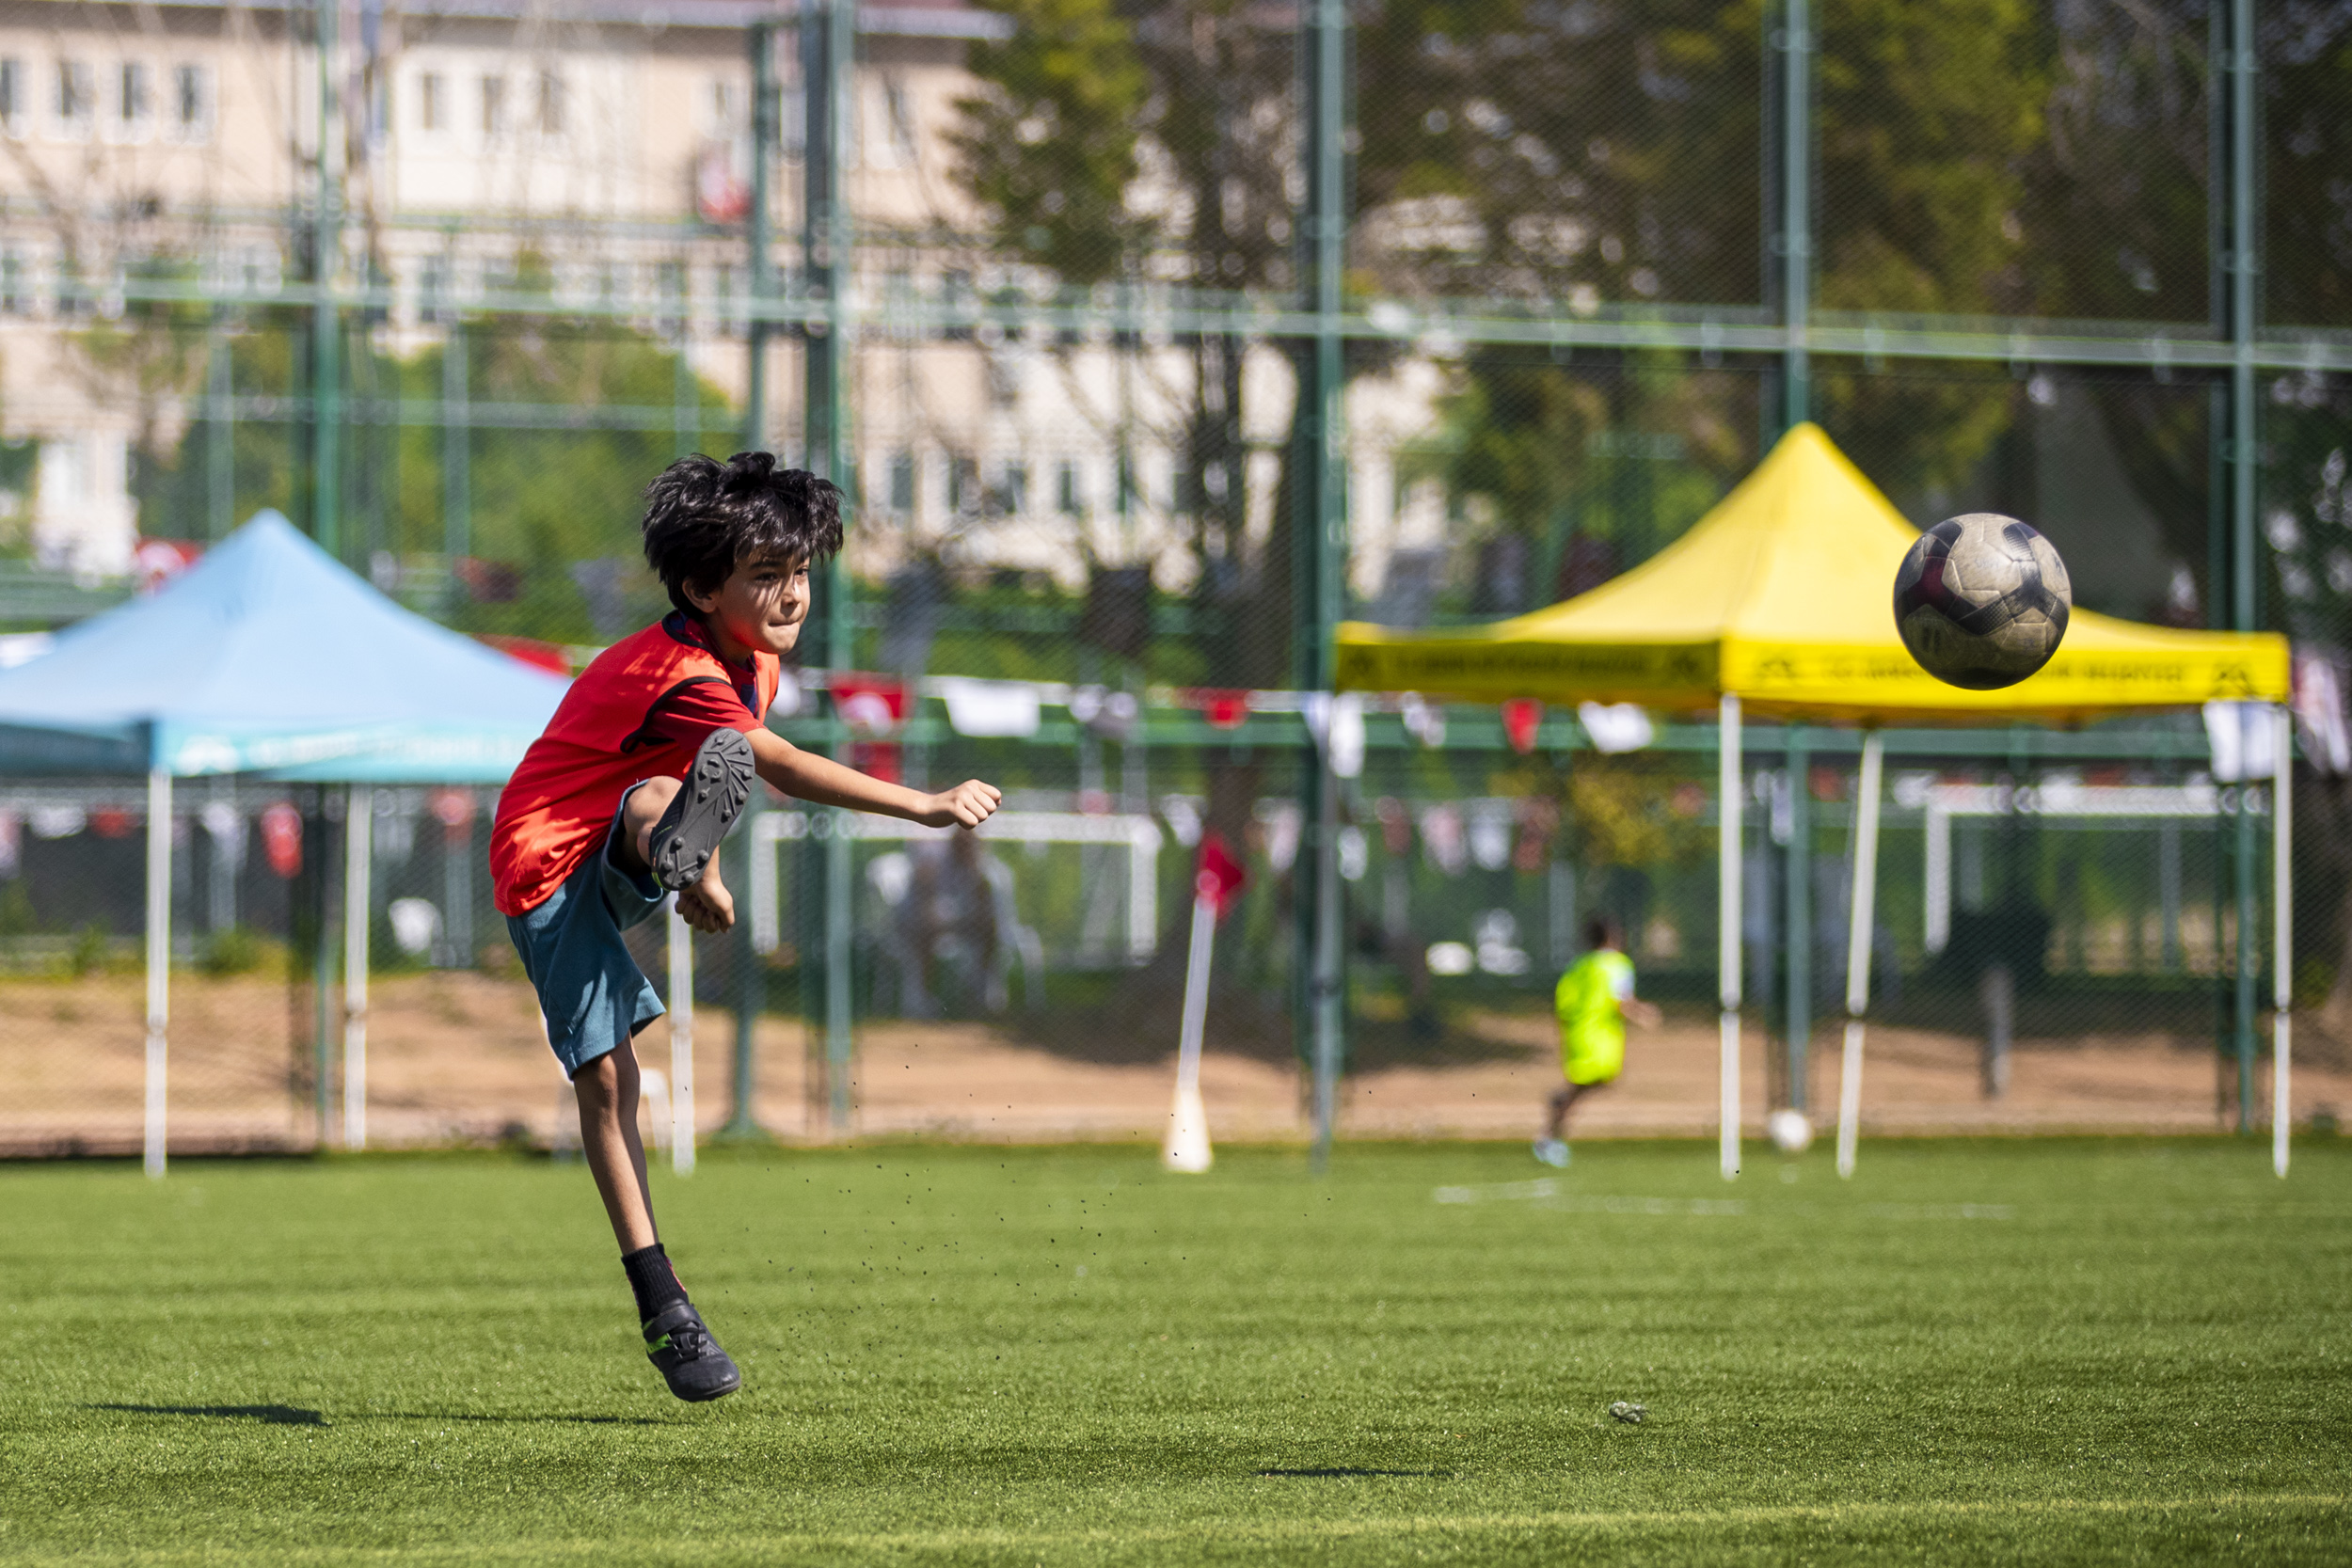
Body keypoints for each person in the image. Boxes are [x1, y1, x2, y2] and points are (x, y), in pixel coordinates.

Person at [490, 452, 1000, 1402]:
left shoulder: (747, 662)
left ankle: (666, 856)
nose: (790, 592)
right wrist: (922, 804)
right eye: (765, 574)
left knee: (661, 796)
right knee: (608, 1079)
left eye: (799, 570)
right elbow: (778, 765)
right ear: (699, 586)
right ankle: (664, 1304)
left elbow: (706, 772)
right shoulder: (681, 670)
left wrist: (705, 870)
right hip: (547, 858)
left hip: (629, 832)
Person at [1534, 914, 1660, 1167]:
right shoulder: (1616, 964)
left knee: (1588, 1083)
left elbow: (1564, 998)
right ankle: (1554, 1122)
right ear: (1611, 937)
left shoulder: (1579, 965)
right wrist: (1644, 1014)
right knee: (1600, 1079)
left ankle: (1554, 1126)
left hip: (1579, 1032)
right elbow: (1621, 1000)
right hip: (1601, 1036)